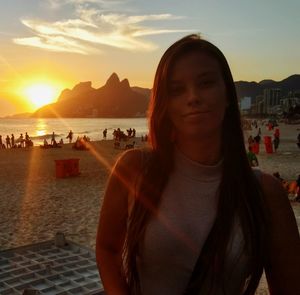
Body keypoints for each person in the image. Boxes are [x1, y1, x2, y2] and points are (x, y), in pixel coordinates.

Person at [96, 35, 300, 294]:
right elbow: (107, 249)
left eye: (206, 83)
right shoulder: (135, 169)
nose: (193, 97)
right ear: (165, 105)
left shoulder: (265, 194)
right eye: (177, 89)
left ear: (227, 95)